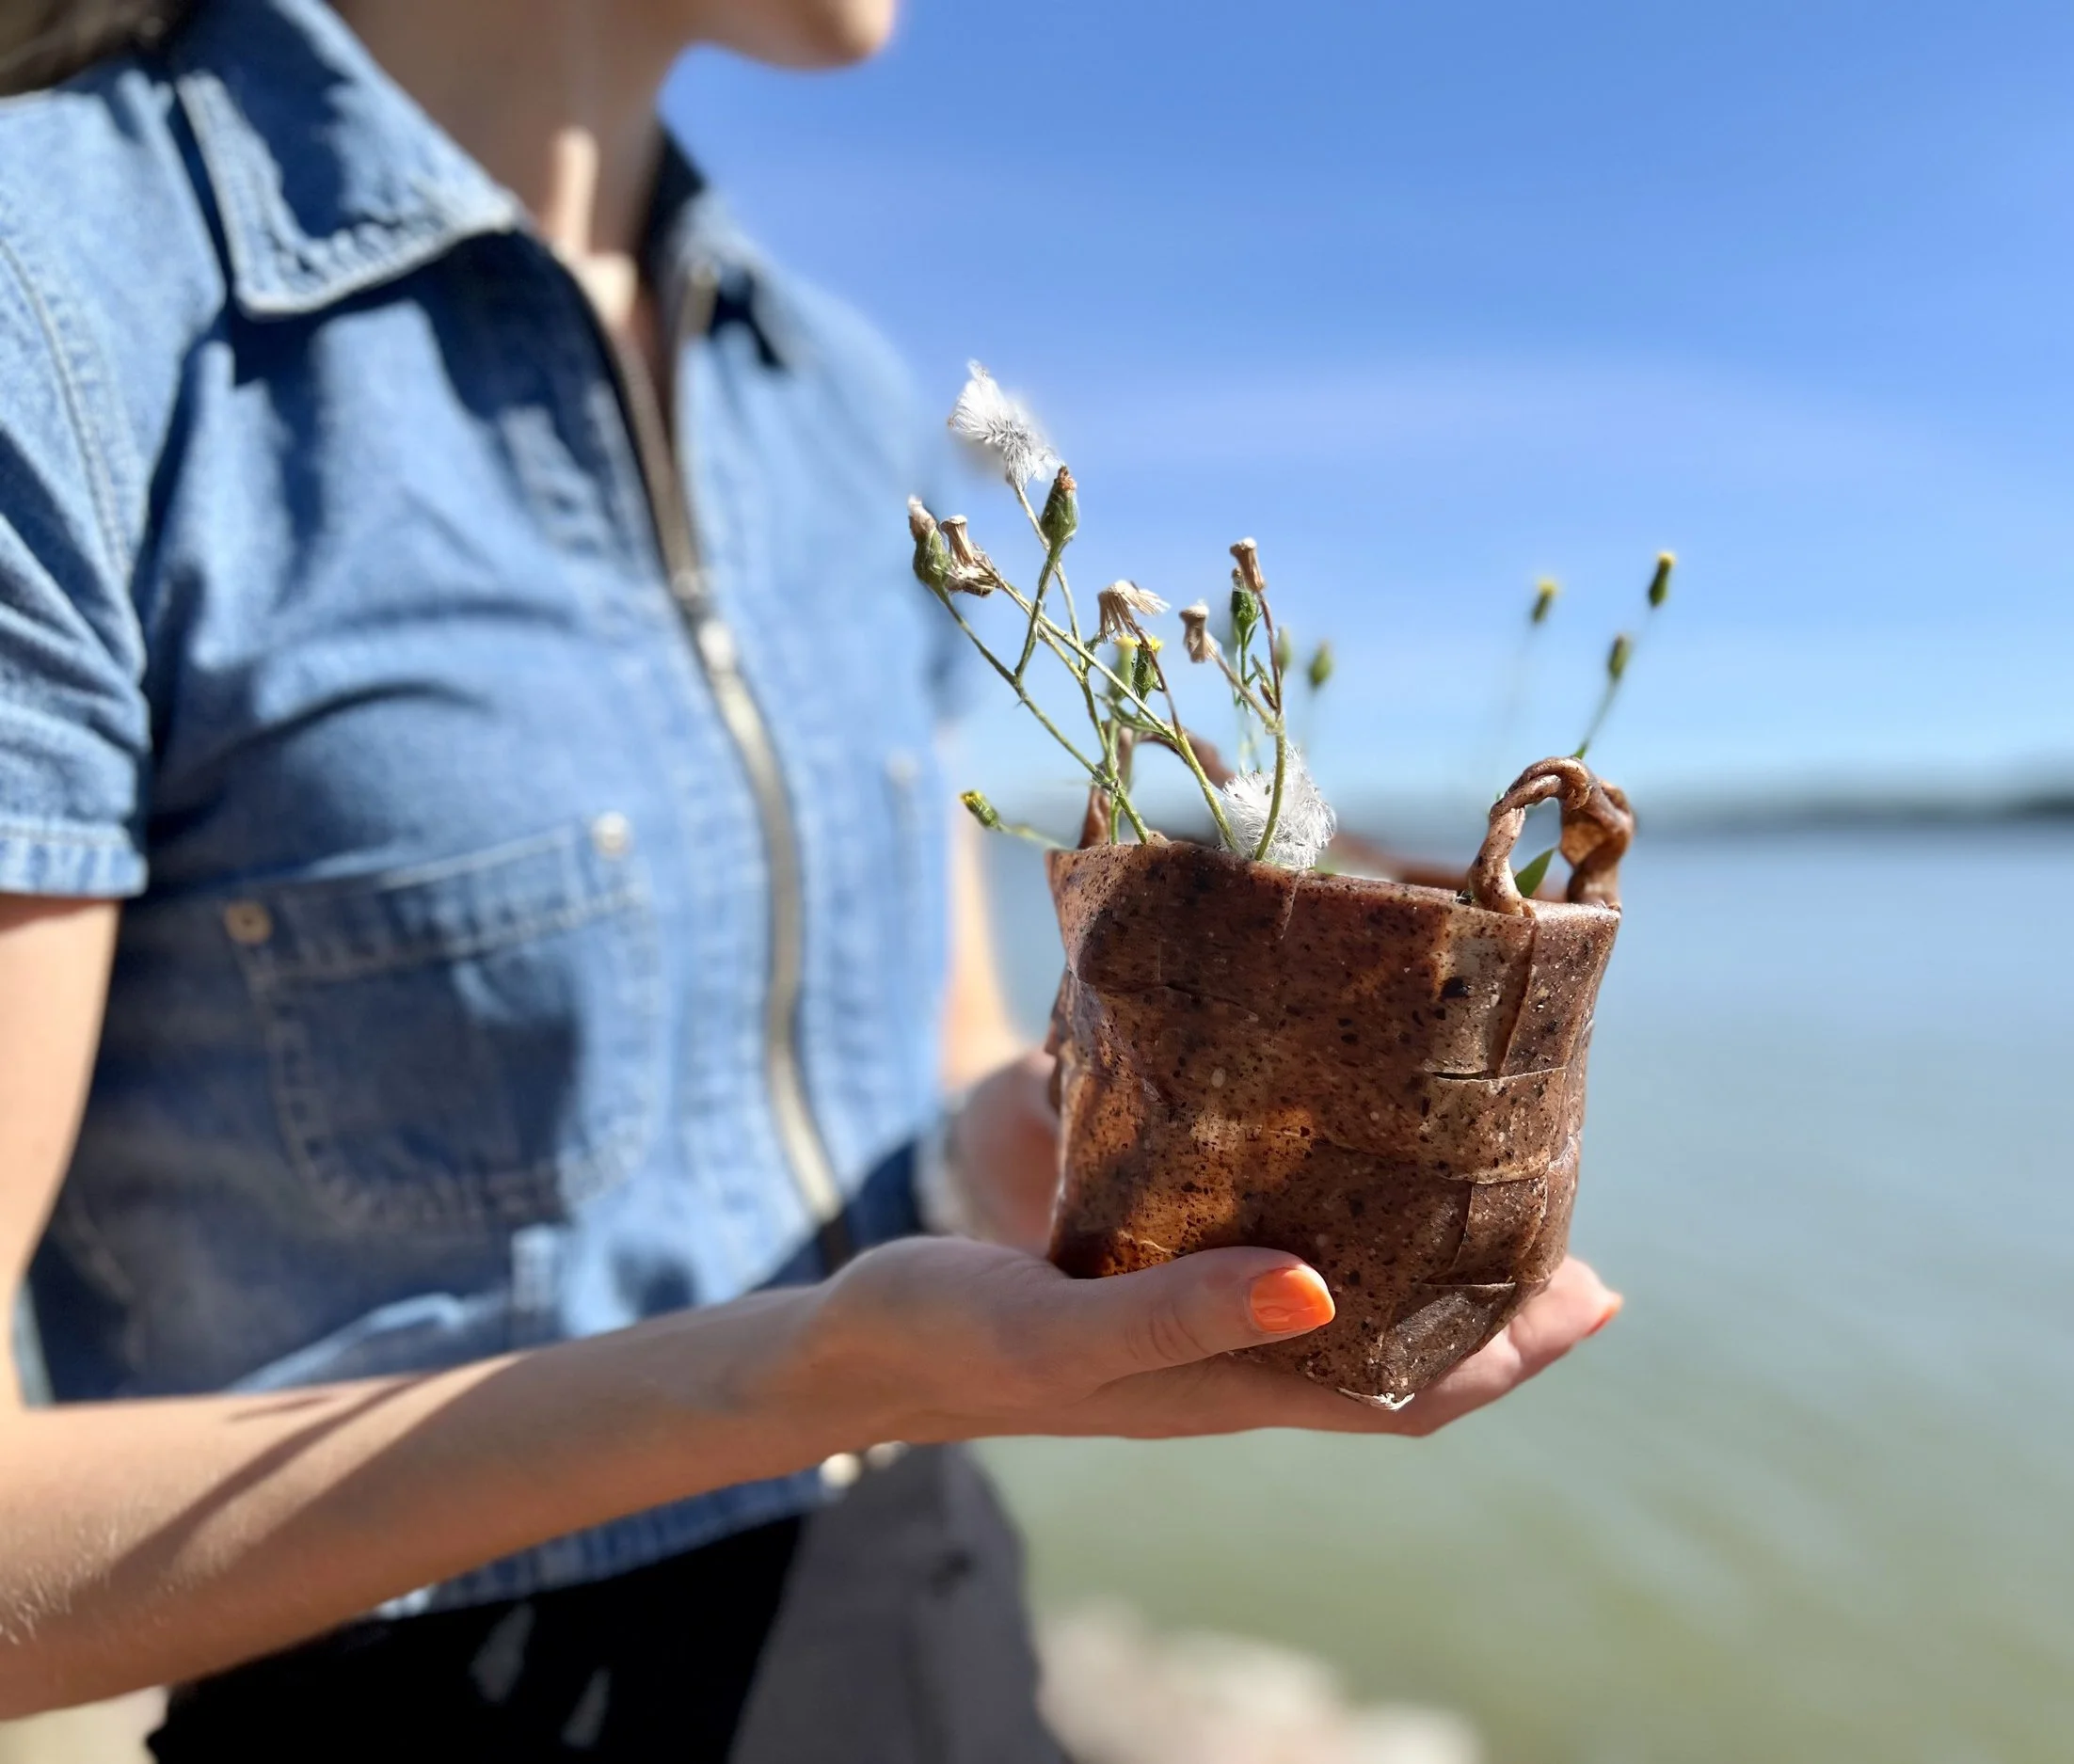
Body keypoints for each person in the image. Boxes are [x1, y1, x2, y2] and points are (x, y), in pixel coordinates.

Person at [0, 0, 1624, 1756]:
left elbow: (942, 1080)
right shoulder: (62, 298)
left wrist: (1013, 1157)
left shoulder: (833, 397)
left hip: (925, 1604)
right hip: (416, 1701)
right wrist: (798, 1374)